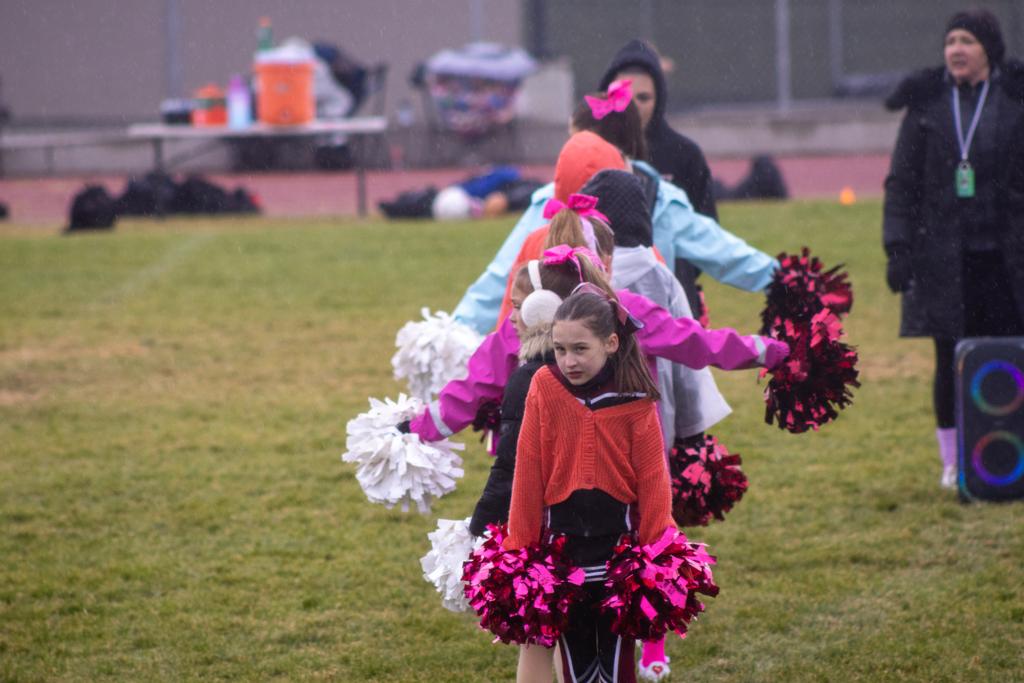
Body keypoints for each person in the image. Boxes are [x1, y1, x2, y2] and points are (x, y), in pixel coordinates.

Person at [882, 8, 1024, 489]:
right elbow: (902, 183)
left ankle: (1010, 451)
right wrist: (898, 246)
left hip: (1006, 258)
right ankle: (953, 461)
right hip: (945, 258)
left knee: (1010, 354)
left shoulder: (1014, 99)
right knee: (950, 358)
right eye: (950, 42)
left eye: (966, 41)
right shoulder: (927, 106)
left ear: (989, 49)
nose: (956, 50)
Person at [504, 287, 674, 683]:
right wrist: (520, 549)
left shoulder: (635, 395)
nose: (569, 361)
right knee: (577, 668)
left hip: (619, 555)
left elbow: (653, 479)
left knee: (617, 668)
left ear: (611, 343)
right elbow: (528, 469)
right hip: (562, 556)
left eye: (580, 349)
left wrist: (656, 553)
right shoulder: (544, 385)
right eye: (560, 349)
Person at [452, 131, 778, 336]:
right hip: (625, 404)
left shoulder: (537, 240)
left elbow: (508, 327)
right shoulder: (644, 258)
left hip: (543, 403)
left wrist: (500, 394)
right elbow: (676, 337)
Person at [599, 39, 719, 322]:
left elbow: (706, 230)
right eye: (624, 96)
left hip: (672, 296)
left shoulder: (685, 154)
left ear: (660, 98)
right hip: (603, 296)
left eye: (643, 98)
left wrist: (675, 275)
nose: (633, 107)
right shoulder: (591, 150)